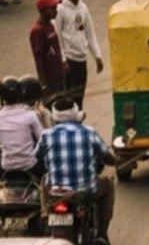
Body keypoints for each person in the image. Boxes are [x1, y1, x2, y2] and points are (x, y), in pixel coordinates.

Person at [35, 97, 112, 236]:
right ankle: (102, 233)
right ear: (77, 115)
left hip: (56, 192)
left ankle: (45, 213)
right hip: (86, 190)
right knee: (108, 184)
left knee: (45, 179)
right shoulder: (89, 132)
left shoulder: (46, 135)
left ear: (55, 118)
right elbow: (106, 156)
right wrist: (114, 160)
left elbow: (37, 156)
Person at [54, 0, 103, 109]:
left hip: (82, 57)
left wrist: (97, 56)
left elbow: (89, 33)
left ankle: (78, 120)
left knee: (79, 95)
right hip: (69, 59)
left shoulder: (83, 8)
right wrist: (63, 59)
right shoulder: (60, 10)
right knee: (69, 96)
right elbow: (58, 36)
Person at [0, 77, 41, 175]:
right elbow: (42, 139)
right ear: (21, 94)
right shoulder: (30, 115)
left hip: (6, 166)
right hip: (30, 165)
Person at [29, 0, 64, 95]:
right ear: (43, 10)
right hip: (50, 78)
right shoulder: (38, 31)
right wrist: (44, 83)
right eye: (52, 8)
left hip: (58, 74)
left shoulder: (50, 25)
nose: (56, 11)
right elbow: (38, 58)